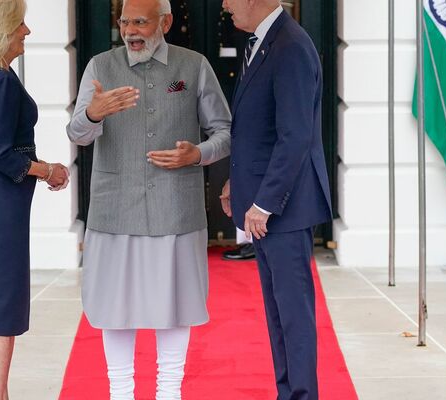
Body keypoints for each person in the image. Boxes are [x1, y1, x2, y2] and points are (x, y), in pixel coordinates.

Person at [66, 0, 231, 398]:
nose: (130, 30)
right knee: (114, 308)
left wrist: (198, 154)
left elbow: (223, 131)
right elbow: (76, 134)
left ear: (166, 22)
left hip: (176, 209)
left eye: (140, 21)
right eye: (124, 21)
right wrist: (92, 114)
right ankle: (120, 392)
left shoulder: (194, 65)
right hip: (114, 209)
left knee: (175, 304)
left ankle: (169, 392)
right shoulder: (100, 67)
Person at [0, 0, 69, 399]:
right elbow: (3, 154)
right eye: (20, 24)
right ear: (1, 30)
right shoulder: (0, 80)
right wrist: (48, 169)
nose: (27, 32)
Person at [219, 1, 332, 399]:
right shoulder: (264, 41)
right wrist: (237, 184)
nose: (224, 5)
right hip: (270, 207)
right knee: (279, 316)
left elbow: (295, 135)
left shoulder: (290, 46)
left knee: (294, 318)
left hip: (285, 209)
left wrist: (264, 203)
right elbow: (256, 128)